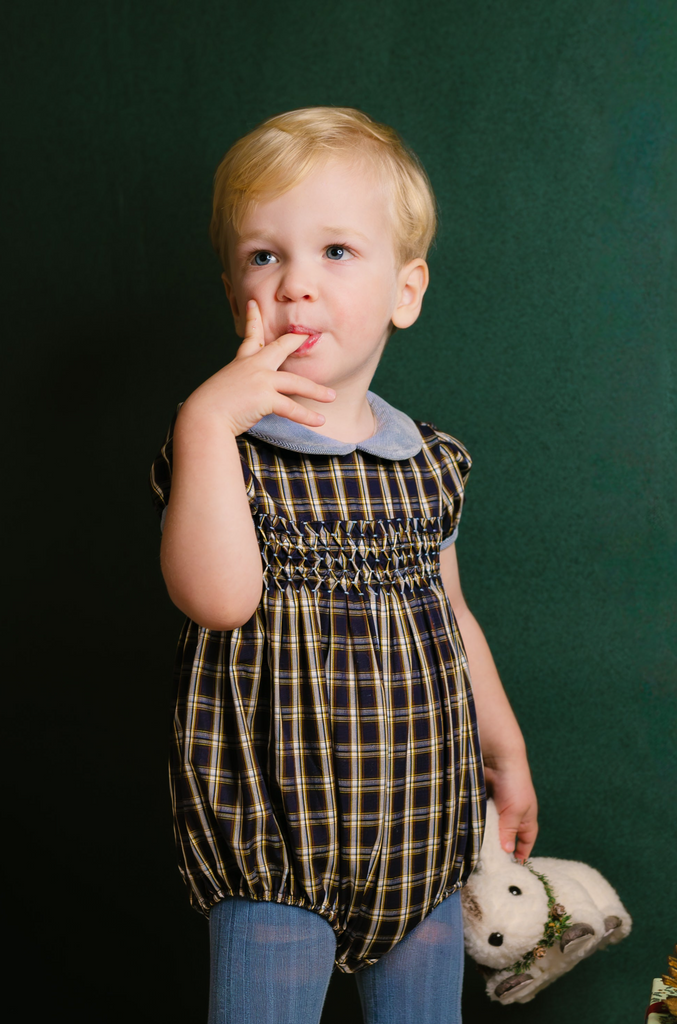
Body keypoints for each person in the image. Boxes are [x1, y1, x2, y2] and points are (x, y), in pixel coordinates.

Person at [150, 106, 538, 1024]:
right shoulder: (220, 454)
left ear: (405, 291)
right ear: (234, 292)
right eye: (264, 256)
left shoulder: (430, 463)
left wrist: (504, 751)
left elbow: (451, 615)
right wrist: (206, 421)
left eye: (334, 252)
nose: (295, 284)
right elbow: (217, 600)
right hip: (275, 846)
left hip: (422, 829)